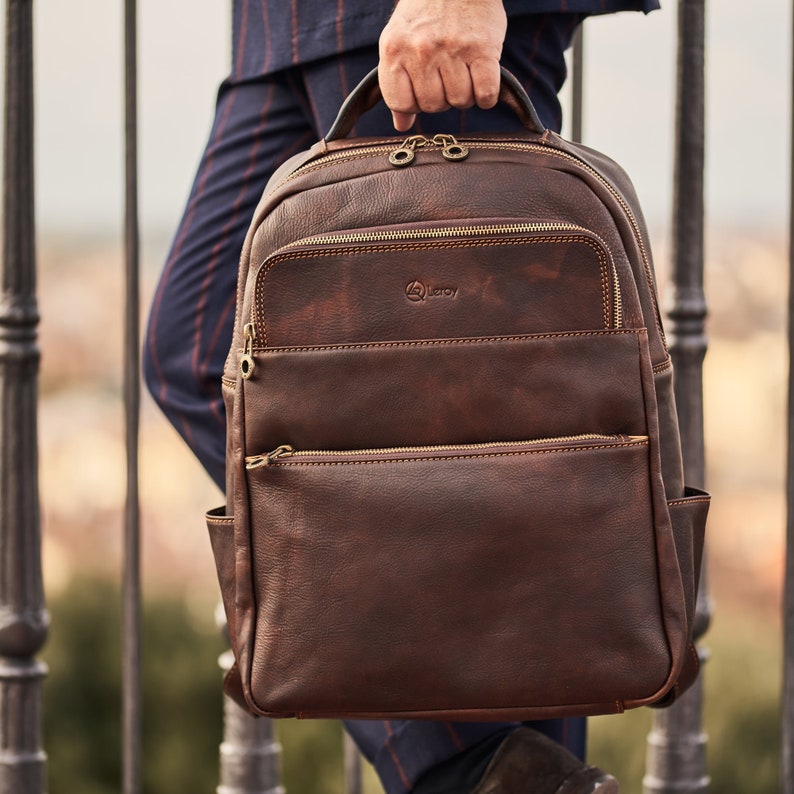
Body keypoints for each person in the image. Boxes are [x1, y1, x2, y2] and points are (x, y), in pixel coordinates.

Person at [143, 1, 659, 791]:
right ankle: (492, 763)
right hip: (286, 25)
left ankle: (484, 766)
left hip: (407, 14)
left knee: (490, 413)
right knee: (196, 353)